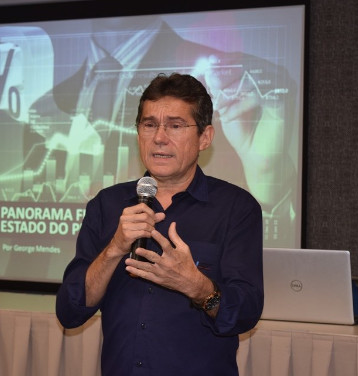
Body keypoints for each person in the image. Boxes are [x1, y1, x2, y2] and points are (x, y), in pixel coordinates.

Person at [56, 73, 264, 375]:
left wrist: (197, 287)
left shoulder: (236, 208)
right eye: (149, 124)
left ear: (205, 137)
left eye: (175, 126)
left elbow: (245, 313)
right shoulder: (107, 205)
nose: (159, 138)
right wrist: (114, 249)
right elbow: (70, 311)